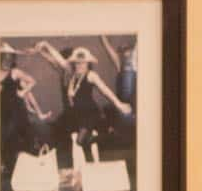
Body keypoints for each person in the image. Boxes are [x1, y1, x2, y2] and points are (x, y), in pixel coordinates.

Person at [30, 41, 132, 171]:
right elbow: (59, 59)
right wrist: (46, 46)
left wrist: (119, 104)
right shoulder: (71, 73)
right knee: (80, 142)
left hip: (90, 114)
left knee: (79, 141)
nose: (79, 65)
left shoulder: (91, 76)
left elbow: (106, 91)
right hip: (77, 115)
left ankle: (109, 136)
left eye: (82, 63)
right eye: (77, 63)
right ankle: (89, 167)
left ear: (88, 64)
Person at [0, 42, 54, 191]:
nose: (7, 60)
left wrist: (24, 94)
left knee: (22, 143)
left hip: (17, 114)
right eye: (4, 57)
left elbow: (32, 83)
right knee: (5, 145)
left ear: (12, 59)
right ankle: (10, 181)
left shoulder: (15, 73)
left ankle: (32, 179)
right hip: (1, 114)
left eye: (9, 57)